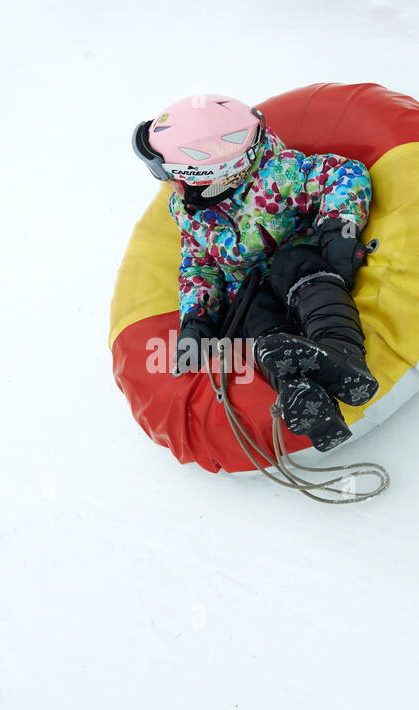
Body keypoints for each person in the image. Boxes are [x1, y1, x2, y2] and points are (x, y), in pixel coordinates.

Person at [132, 94, 379, 451]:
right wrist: (197, 318)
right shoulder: (186, 210)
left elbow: (344, 174)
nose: (165, 183)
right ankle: (303, 395)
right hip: (251, 291)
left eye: (168, 174)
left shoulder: (278, 175)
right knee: (251, 316)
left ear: (207, 174)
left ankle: (342, 354)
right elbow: (199, 263)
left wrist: (338, 231)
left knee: (290, 264)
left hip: (303, 274)